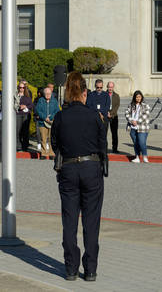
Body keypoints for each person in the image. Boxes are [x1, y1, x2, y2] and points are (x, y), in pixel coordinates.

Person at [50, 71, 107, 282]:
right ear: (84, 93)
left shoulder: (60, 116)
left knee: (70, 221)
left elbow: (55, 144)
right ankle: (90, 269)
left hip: (69, 168)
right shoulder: (94, 115)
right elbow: (103, 145)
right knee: (91, 222)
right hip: (91, 167)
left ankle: (71, 268)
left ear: (67, 92)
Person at [34, 85, 60, 160]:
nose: (48, 95)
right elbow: (38, 110)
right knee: (43, 138)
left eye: (49, 94)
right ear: (44, 94)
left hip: (52, 122)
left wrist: (51, 117)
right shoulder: (40, 100)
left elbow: (57, 111)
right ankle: (44, 153)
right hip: (42, 122)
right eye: (46, 94)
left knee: (51, 138)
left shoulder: (54, 101)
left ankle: (51, 153)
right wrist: (45, 117)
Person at [124, 90, 150, 163]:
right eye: (136, 97)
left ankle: (144, 156)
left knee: (142, 142)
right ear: (134, 98)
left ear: (141, 97)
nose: (138, 98)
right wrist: (131, 121)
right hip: (132, 128)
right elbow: (127, 113)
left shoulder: (145, 105)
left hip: (142, 128)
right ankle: (137, 157)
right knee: (135, 143)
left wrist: (137, 121)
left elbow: (146, 115)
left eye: (139, 97)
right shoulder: (131, 105)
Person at [16, 81, 33, 154]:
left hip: (26, 114)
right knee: (17, 131)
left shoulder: (27, 96)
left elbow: (31, 105)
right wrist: (19, 106)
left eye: (23, 87)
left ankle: (25, 146)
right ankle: (18, 146)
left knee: (25, 131)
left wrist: (25, 106)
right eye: (20, 87)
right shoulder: (16, 96)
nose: (21, 89)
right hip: (18, 114)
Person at [105, 81, 120, 153]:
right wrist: (106, 112)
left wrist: (111, 113)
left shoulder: (116, 96)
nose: (110, 88)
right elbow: (102, 104)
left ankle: (115, 149)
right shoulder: (103, 95)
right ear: (107, 87)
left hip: (114, 117)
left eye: (111, 87)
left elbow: (117, 106)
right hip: (105, 116)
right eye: (109, 87)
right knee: (104, 133)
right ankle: (104, 148)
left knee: (114, 134)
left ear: (113, 87)